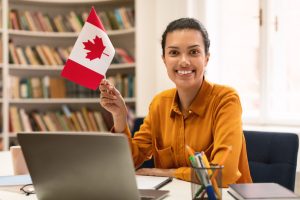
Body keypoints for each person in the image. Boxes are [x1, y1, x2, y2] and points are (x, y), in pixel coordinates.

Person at [99, 18, 252, 187]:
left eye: (193, 52)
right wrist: (120, 116)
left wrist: (168, 173)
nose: (184, 61)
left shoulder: (226, 99)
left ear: (206, 58)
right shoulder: (159, 104)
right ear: (164, 59)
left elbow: (225, 173)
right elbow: (131, 161)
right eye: (174, 53)